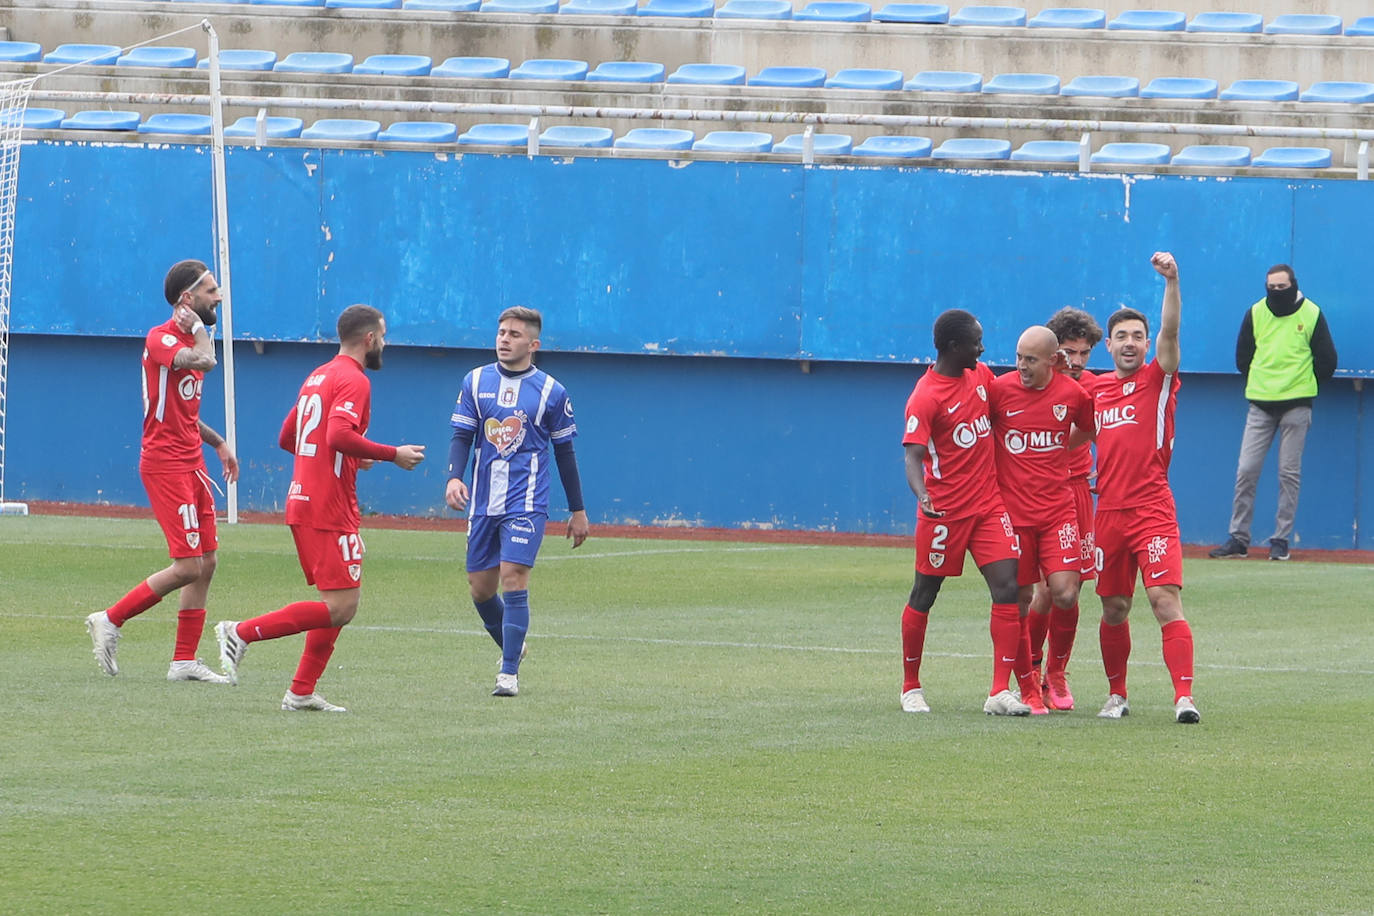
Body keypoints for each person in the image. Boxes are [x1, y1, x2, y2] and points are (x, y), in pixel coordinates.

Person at [213, 305, 425, 711]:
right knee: (342, 606)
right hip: (328, 504)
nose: (385, 342)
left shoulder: (319, 375)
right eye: (383, 335)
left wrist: (348, 457)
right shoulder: (354, 380)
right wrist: (389, 454)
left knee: (337, 605)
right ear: (369, 339)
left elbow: (288, 436)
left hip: (305, 499)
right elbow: (339, 434)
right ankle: (240, 632)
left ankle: (301, 691)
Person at [85, 259, 239, 684]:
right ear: (187, 299)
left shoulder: (185, 337)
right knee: (188, 565)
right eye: (210, 290)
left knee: (207, 562)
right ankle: (110, 619)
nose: (219, 296)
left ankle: (183, 660)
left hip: (193, 461)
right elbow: (205, 362)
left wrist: (219, 443)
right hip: (165, 464)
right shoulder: (161, 339)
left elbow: (185, 412)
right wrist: (202, 332)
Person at [445, 306, 589, 698]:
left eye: (514, 334)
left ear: (533, 344)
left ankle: (508, 674)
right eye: (502, 332)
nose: (505, 339)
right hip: (483, 504)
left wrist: (577, 510)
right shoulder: (475, 382)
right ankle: (514, 645)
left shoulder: (551, 392)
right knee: (480, 588)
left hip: (526, 502)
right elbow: (462, 437)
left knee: (514, 576)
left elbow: (565, 453)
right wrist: (455, 476)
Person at [1088, 252, 1199, 724]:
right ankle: (1117, 695)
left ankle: (1184, 697)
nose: (1131, 343)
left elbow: (1171, 334)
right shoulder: (1093, 392)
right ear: (1108, 346)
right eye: (1122, 337)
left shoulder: (1158, 379)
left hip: (1152, 508)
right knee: (1114, 605)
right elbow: (1068, 436)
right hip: (1107, 513)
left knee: (1163, 599)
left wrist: (1172, 281)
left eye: (1138, 336)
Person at [900, 308, 1027, 717]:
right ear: (955, 347)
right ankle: (911, 687)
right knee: (925, 593)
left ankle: (999, 691)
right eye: (976, 341)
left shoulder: (981, 376)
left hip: (988, 506)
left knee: (1008, 587)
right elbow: (913, 456)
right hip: (944, 514)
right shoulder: (926, 396)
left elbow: (1011, 392)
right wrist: (923, 497)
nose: (983, 347)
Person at [989, 326, 1095, 715]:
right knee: (1018, 599)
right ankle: (1028, 686)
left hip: (1057, 511)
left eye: (1030, 359)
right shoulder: (999, 391)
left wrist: (1057, 449)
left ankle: (1056, 671)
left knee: (1066, 592)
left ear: (1052, 361)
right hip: (1012, 517)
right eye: (1018, 357)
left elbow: (1088, 427)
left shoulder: (1073, 394)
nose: (1021, 366)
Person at [1209, 264, 1337, 562]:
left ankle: (1280, 540)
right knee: (1246, 471)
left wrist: (1302, 384)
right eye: (1272, 287)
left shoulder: (1312, 313)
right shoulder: (1255, 312)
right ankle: (1239, 539)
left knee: (1288, 475)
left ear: (1294, 284)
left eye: (1282, 287)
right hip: (1260, 404)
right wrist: (1261, 382)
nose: (1277, 292)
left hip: (1297, 405)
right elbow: (1243, 356)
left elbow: (1327, 360)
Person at [1023, 307, 1105, 710]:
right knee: (1041, 591)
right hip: (1040, 498)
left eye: (1084, 353)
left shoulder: (1091, 388)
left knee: (1070, 594)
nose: (1076, 362)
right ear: (1053, 352)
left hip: (1077, 494)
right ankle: (1031, 670)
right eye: (1069, 352)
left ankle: (1057, 673)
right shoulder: (1033, 384)